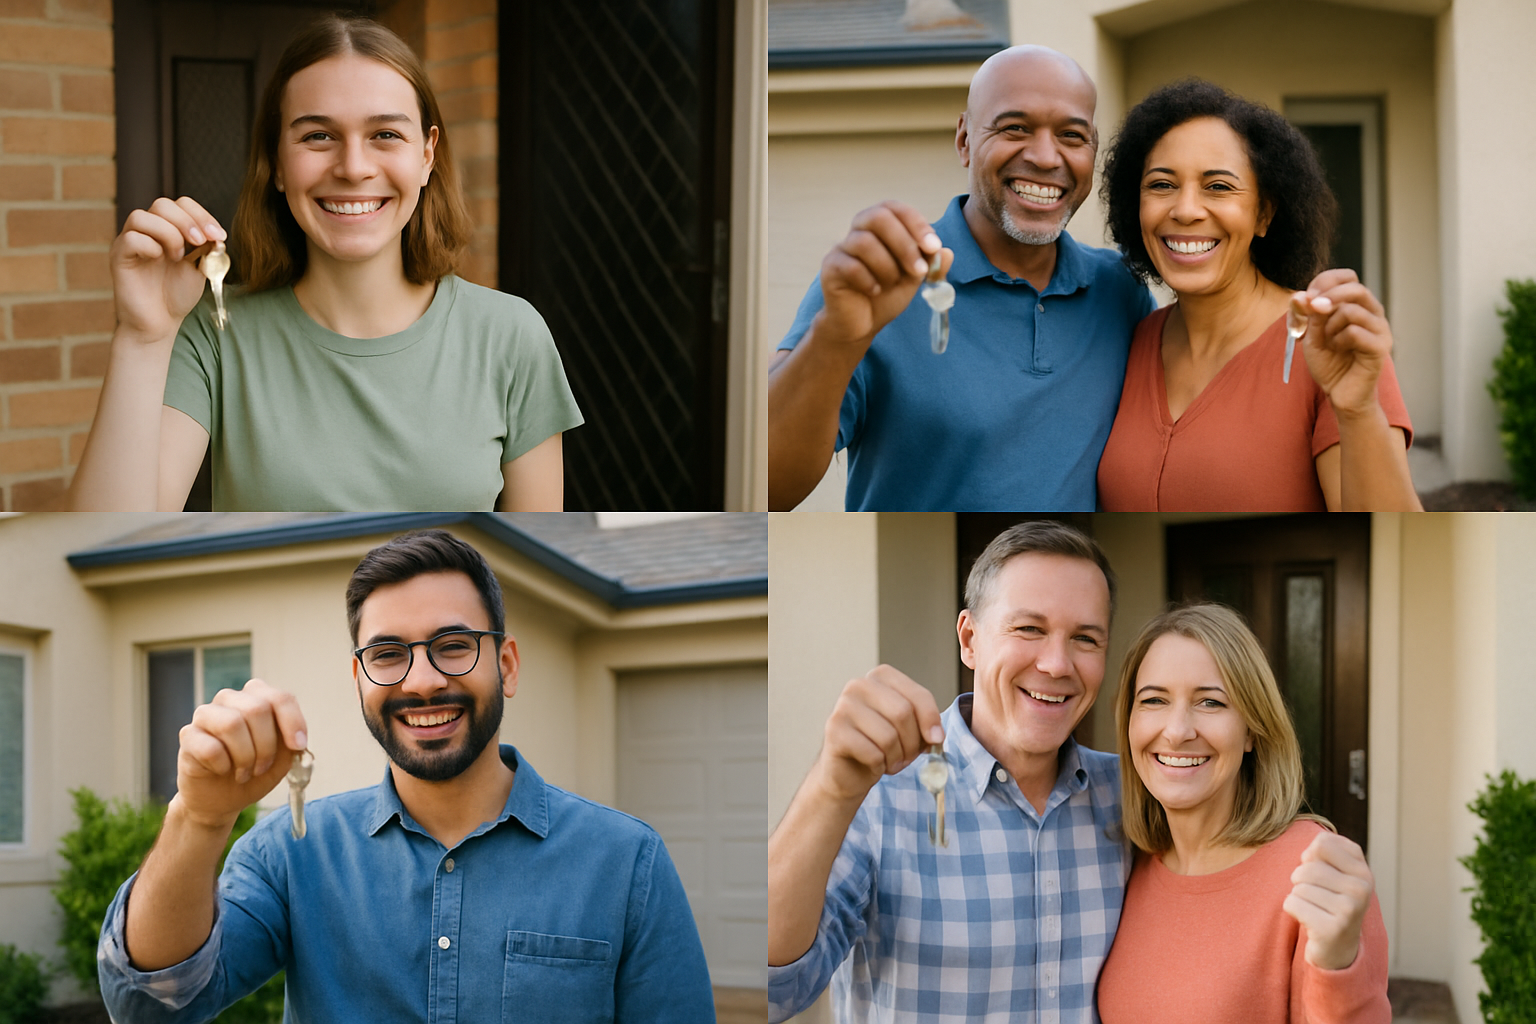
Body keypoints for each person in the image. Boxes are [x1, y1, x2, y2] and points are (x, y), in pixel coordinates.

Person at [97, 530, 715, 1023]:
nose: (421, 680)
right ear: (360, 680)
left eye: (453, 645)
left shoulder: (627, 861)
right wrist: (199, 816)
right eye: (388, 655)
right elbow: (150, 1005)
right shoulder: (290, 853)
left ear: (507, 666)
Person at [69, 16, 582, 512]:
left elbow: (533, 569)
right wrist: (143, 337)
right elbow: (105, 546)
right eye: (318, 136)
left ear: (427, 156)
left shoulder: (512, 335)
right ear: (276, 162)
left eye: (385, 135)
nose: (353, 167)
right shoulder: (213, 334)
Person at [767, 45, 1155, 511]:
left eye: (1072, 136)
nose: (1046, 156)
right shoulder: (881, 280)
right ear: (965, 140)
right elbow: (764, 487)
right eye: (1015, 128)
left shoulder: (1120, 291)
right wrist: (835, 337)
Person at [768, 520, 1128, 1022]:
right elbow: (775, 991)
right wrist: (828, 790)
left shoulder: (1132, 799)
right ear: (970, 639)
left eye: (1085, 638)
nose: (1056, 663)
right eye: (1029, 628)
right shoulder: (878, 795)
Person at [1096, 79, 1420, 511]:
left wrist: (1359, 411)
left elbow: (1387, 525)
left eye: (1218, 187)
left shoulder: (1328, 344)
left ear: (1264, 214)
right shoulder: (1135, 341)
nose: (1186, 210)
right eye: (1161, 185)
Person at [1097, 603, 1389, 1022]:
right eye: (1154, 700)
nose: (1177, 731)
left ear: (1251, 729)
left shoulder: (1314, 868)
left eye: (1211, 703)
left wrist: (1339, 964)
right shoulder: (1128, 864)